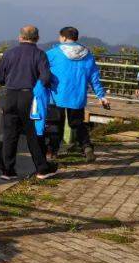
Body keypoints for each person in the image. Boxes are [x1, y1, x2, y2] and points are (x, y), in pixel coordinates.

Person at [0, 25, 57, 181]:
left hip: (9, 95)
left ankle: (7, 171)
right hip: (29, 97)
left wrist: (6, 83)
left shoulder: (9, 53)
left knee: (9, 134)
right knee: (33, 135)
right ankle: (42, 169)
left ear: (20, 37)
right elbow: (45, 77)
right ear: (37, 38)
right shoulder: (40, 55)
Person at [45, 27, 110, 162]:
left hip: (57, 95)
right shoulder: (88, 55)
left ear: (63, 37)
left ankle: (52, 151)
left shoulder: (53, 53)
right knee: (78, 124)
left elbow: (42, 72)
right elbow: (94, 78)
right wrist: (101, 96)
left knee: (55, 124)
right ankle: (87, 147)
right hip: (78, 96)